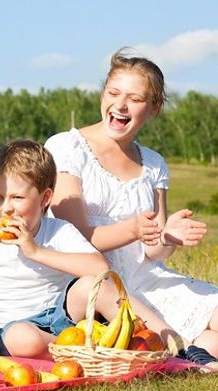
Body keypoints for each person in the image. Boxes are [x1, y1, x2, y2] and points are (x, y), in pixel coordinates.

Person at [44, 47, 218, 364]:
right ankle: (184, 351)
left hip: (149, 279)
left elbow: (153, 251)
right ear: (103, 93)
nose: (120, 105)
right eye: (113, 92)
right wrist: (133, 229)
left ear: (154, 107)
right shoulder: (66, 148)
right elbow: (77, 236)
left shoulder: (153, 163)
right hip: (97, 287)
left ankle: (192, 353)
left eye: (135, 99)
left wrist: (166, 238)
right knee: (188, 341)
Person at [0, 139, 185, 360]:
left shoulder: (59, 230)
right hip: (12, 331)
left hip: (63, 319)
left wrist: (35, 251)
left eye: (17, 198)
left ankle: (159, 340)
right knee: (24, 339)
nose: (5, 208)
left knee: (93, 285)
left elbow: (99, 268)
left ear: (45, 198)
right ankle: (93, 349)